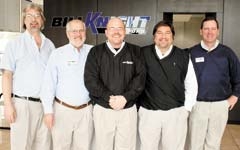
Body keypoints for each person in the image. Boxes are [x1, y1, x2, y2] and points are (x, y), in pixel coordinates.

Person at [84, 17, 145, 150]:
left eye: (120, 28)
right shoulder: (95, 52)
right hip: (103, 109)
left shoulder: (136, 51)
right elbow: (90, 80)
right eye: (112, 28)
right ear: (106, 32)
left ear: (125, 31)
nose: (116, 31)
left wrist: (125, 98)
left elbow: (140, 78)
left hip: (127, 110)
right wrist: (109, 98)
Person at [0, 3, 55, 150]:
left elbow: (53, 77)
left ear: (42, 20)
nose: (33, 20)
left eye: (37, 16)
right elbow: (7, 76)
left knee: (44, 146)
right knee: (21, 147)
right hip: (22, 105)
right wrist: (8, 104)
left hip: (45, 106)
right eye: (29, 16)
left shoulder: (49, 45)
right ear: (24, 21)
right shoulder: (14, 44)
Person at [138, 20, 198, 150]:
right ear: (154, 37)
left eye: (167, 33)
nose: (163, 36)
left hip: (175, 113)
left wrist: (186, 109)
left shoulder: (183, 56)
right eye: (159, 33)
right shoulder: (142, 54)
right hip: (149, 113)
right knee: (147, 147)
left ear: (173, 37)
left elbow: (191, 84)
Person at [188, 17, 240, 150]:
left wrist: (235, 96)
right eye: (206, 28)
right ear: (200, 31)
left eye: (213, 29)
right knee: (195, 144)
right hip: (198, 105)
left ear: (218, 31)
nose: (209, 32)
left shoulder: (227, 53)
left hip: (220, 106)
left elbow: (237, 76)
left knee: (213, 143)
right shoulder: (192, 53)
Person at [40, 19, 93, 150]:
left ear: (85, 32)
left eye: (81, 30)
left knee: (84, 147)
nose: (78, 34)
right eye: (74, 31)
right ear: (68, 33)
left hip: (86, 112)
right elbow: (48, 84)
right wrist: (48, 112)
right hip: (62, 111)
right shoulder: (57, 53)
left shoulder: (93, 52)